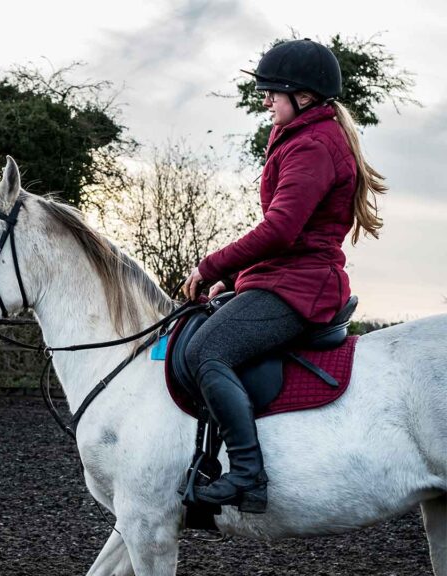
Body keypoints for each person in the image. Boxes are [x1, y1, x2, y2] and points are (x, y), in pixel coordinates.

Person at [180, 38, 388, 513]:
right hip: (287, 278)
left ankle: (248, 474)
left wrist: (213, 266)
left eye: (273, 92)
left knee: (206, 351)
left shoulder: (312, 145)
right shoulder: (303, 135)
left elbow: (281, 229)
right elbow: (291, 236)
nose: (266, 100)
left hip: (301, 288)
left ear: (305, 95)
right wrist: (235, 278)